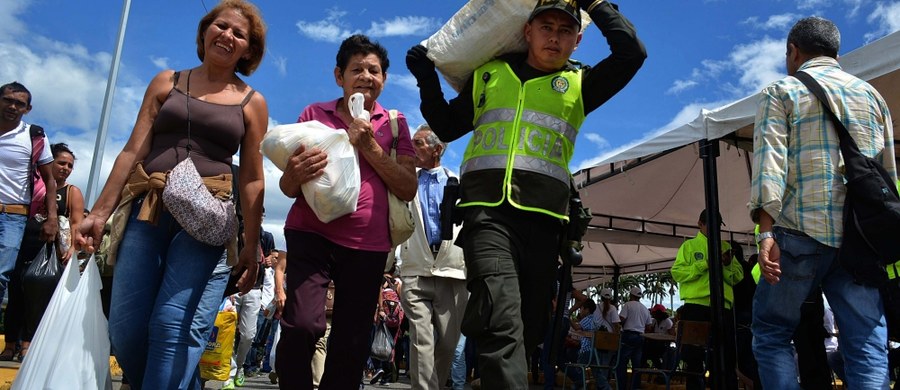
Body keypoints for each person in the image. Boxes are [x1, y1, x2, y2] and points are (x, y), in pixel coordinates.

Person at [405, 0, 646, 386]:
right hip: (487, 214)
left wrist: (596, 4)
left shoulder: (581, 84)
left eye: (565, 30)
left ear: (578, 40)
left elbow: (632, 53)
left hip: (546, 222)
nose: (554, 36)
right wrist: (426, 78)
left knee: (529, 325)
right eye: (546, 26)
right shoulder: (488, 74)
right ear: (527, 32)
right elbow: (448, 126)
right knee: (500, 315)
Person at [77, 1, 268, 387]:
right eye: (220, 26)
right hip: (149, 208)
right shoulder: (167, 81)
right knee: (125, 327)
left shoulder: (252, 102)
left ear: (248, 49)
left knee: (169, 323)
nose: (227, 35)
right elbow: (132, 150)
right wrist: (99, 214)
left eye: (239, 33)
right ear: (204, 31)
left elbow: (251, 176)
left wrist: (250, 243)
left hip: (206, 216)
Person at [750, 16, 895, 390]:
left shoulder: (781, 91)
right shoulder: (873, 97)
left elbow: (770, 165)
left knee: (772, 333)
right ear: (835, 51)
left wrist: (765, 232)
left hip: (799, 232)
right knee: (865, 342)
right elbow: (886, 178)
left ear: (793, 51)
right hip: (860, 241)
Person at [275, 33, 416, 389]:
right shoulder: (313, 115)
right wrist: (293, 174)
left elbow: (407, 186)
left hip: (368, 245)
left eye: (375, 70)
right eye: (357, 69)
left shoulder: (396, 124)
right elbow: (289, 189)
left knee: (351, 343)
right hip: (311, 233)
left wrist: (368, 143)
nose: (367, 76)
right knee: (302, 324)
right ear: (339, 76)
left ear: (384, 79)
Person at [397, 124, 467, 390]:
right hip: (415, 268)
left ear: (437, 150)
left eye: (418, 144)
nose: (411, 149)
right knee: (421, 340)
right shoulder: (406, 180)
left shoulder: (457, 182)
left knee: (450, 342)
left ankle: (431, 385)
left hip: (452, 271)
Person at [1, 142, 81, 361]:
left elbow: (76, 223)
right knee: (15, 293)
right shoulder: (32, 185)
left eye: (70, 165)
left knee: (37, 298)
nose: (65, 168)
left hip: (49, 253)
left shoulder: (72, 192)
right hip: (23, 244)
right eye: (61, 163)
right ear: (49, 162)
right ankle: (9, 345)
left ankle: (28, 344)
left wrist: (73, 247)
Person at [0, 81, 58, 321]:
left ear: (28, 109)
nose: (12, 106)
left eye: (19, 103)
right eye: (8, 100)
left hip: (14, 216)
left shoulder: (33, 136)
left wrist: (52, 218)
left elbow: (50, 179)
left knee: (1, 275)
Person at [670, 209, 743, 389]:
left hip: (722, 309)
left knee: (724, 359)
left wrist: (725, 266)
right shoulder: (689, 247)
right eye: (710, 224)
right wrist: (705, 264)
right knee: (693, 358)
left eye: (717, 226)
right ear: (700, 224)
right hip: (696, 307)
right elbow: (677, 273)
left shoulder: (725, 247)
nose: (715, 229)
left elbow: (738, 277)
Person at [617, 287, 651, 390]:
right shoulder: (645, 309)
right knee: (636, 364)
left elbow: (621, 319)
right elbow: (648, 326)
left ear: (631, 295)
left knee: (622, 363)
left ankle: (621, 387)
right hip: (640, 336)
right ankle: (635, 387)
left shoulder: (627, 305)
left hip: (628, 335)